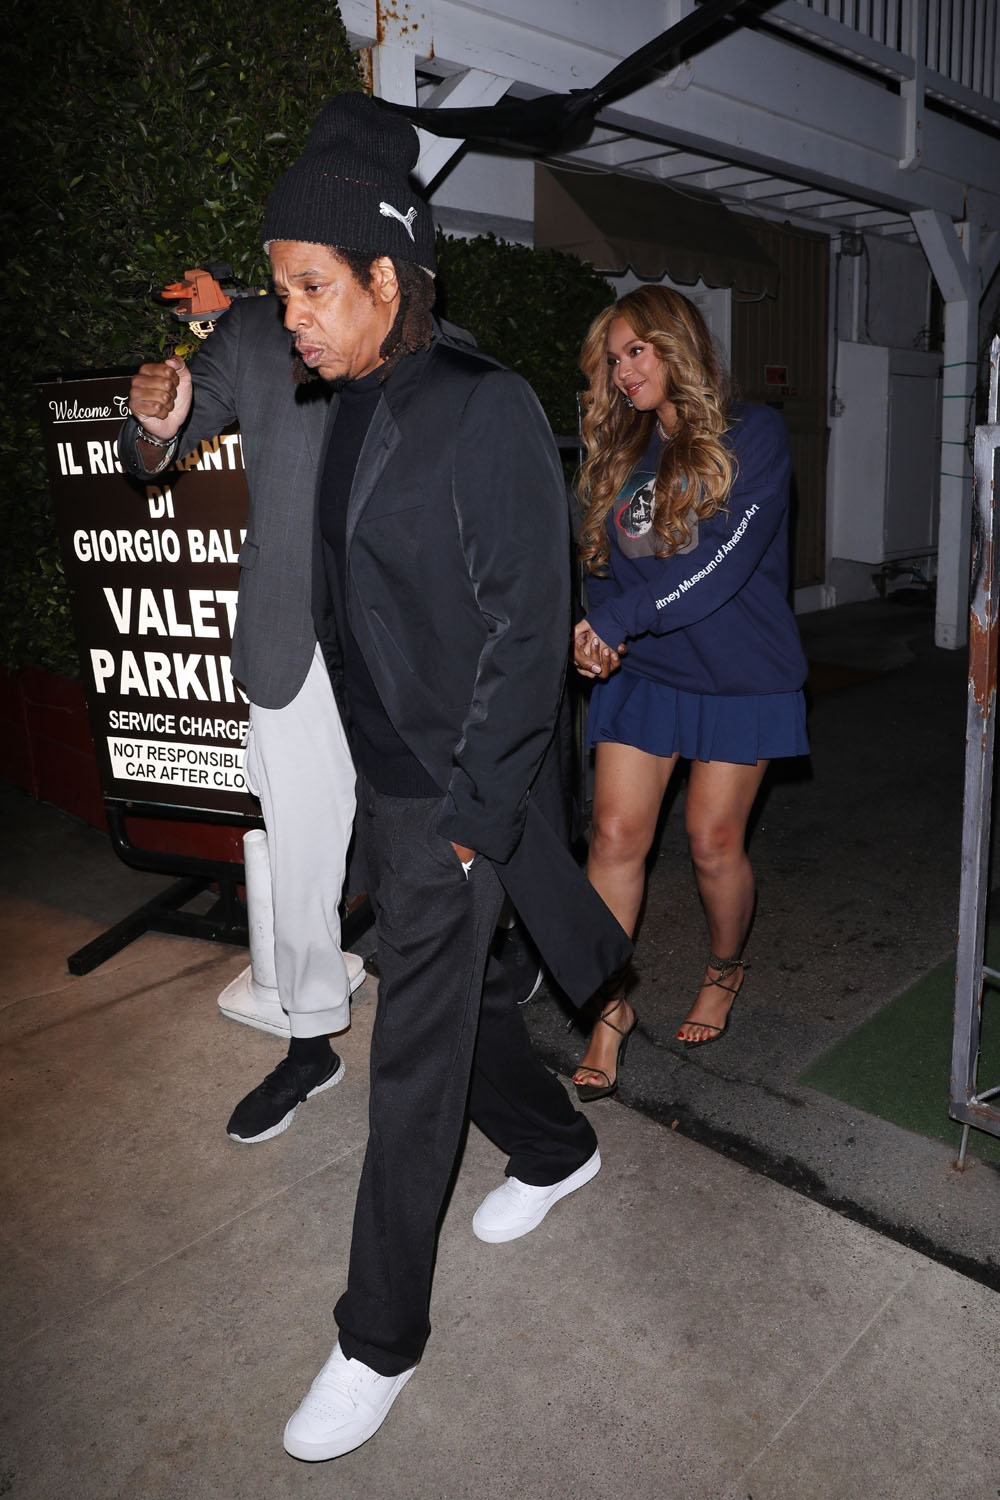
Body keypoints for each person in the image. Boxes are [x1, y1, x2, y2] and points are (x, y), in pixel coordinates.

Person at [136, 93, 631, 1461]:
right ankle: (557, 1148)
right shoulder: (334, 394)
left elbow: (529, 634)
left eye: (312, 287)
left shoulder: (485, 408)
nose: (288, 315)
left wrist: (469, 823)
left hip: (461, 787)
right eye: (281, 286)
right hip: (385, 771)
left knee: (411, 1050)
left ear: (388, 280)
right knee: (452, 1009)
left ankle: (377, 1339)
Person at [571, 286, 808, 1100]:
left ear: (678, 344)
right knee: (613, 837)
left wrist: (620, 621)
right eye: (614, 358)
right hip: (649, 671)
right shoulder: (624, 452)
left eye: (637, 351)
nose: (624, 370)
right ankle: (608, 1008)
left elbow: (721, 565)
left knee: (713, 843)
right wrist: (599, 634)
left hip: (741, 675)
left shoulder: (755, 435)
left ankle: (725, 967)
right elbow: (604, 567)